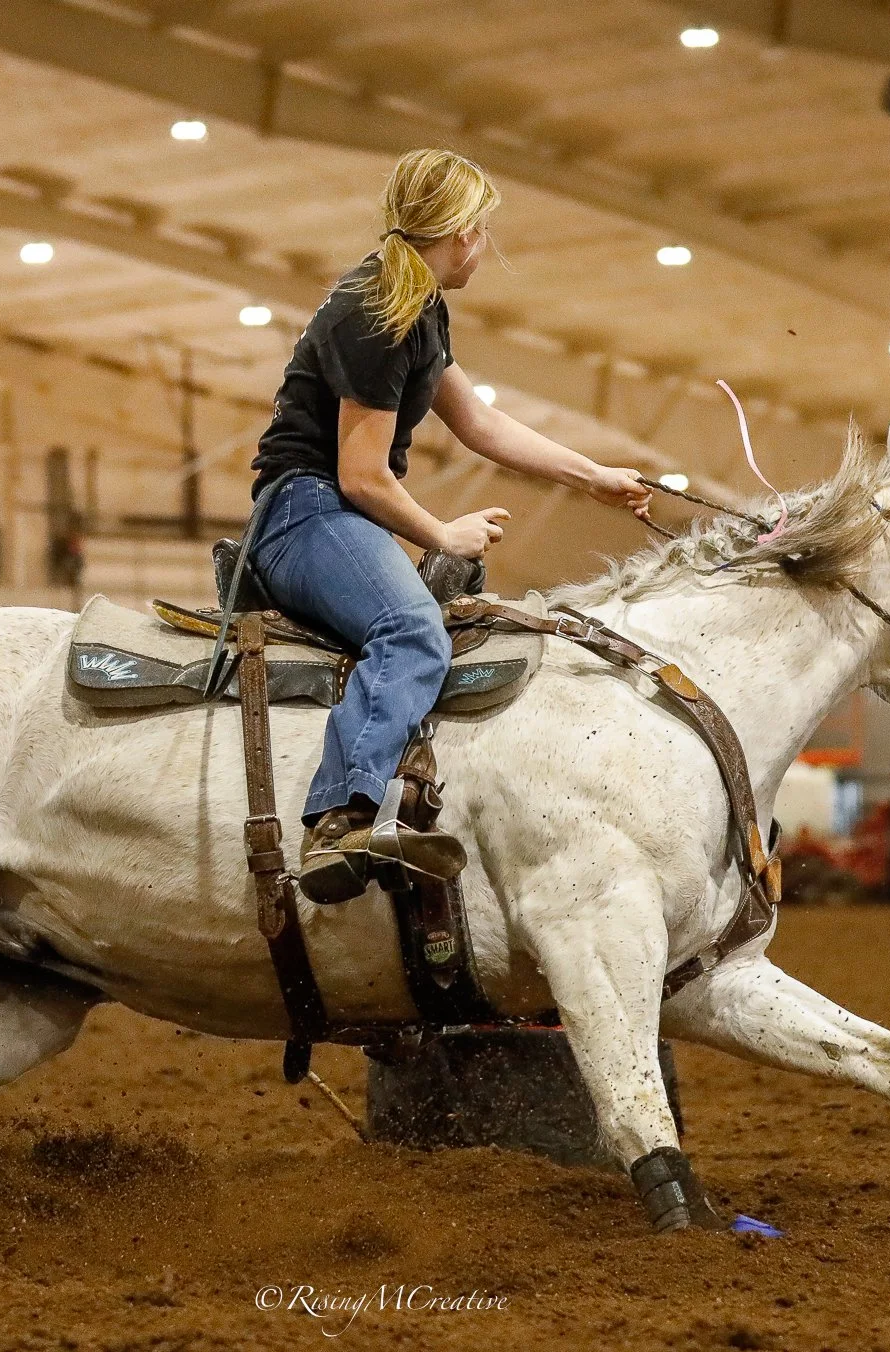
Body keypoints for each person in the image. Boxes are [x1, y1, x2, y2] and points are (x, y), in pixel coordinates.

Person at [247, 148, 653, 904]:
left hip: (332, 511)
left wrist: (593, 476)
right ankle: (340, 816)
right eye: (484, 230)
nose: (486, 246)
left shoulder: (416, 307)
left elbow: (481, 422)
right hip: (303, 512)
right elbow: (362, 475)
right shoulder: (375, 311)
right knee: (411, 630)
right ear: (462, 233)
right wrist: (442, 534)